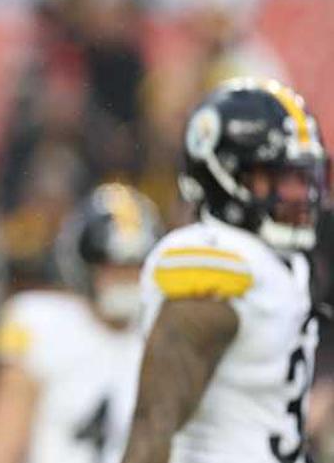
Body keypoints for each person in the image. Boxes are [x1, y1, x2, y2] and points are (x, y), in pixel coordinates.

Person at [121, 77, 326, 463]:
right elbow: (153, 419)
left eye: (303, 177)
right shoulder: (214, 260)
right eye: (279, 178)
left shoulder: (284, 265)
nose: (300, 195)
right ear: (224, 175)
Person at [0, 183, 163, 463]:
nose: (124, 278)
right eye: (112, 265)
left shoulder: (164, 334)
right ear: (83, 266)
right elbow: (3, 445)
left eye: (134, 265)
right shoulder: (38, 322)